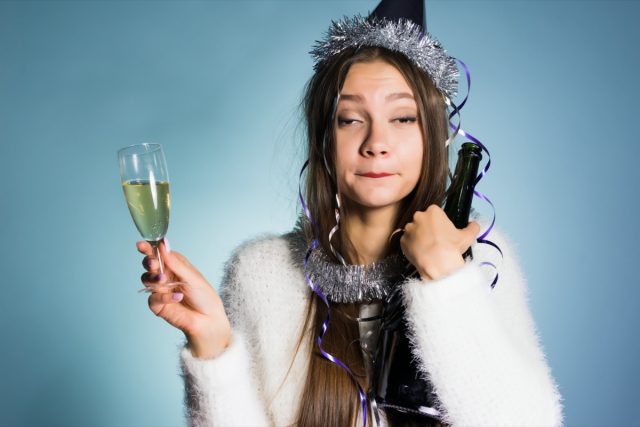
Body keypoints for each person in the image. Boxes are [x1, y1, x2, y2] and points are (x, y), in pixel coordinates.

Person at [135, 1, 563, 426]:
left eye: (402, 117)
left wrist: (446, 280)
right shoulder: (262, 273)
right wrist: (213, 348)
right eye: (350, 119)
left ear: (433, 135)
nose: (377, 142)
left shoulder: (479, 258)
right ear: (323, 137)